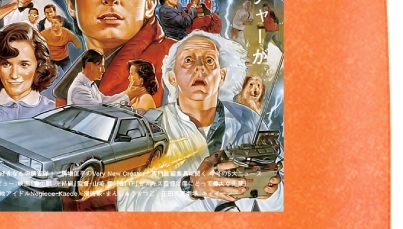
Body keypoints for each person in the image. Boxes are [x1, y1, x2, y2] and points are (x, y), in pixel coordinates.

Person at [116, 31, 282, 212]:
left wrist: (270, 191)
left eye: (209, 60)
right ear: (172, 77)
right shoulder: (145, 128)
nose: (200, 67)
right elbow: (128, 206)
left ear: (222, 76)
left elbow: (283, 204)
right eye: (188, 60)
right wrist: (191, 187)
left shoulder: (249, 119)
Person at [0, 23, 57, 128]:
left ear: (39, 66)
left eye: (24, 64)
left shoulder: (55, 113)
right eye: (6, 64)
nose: (14, 75)